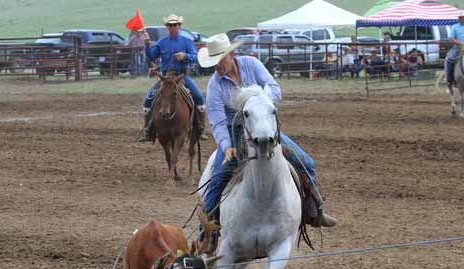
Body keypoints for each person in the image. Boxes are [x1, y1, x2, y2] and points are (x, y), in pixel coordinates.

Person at [196, 33, 337, 247]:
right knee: (217, 178)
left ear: (231, 54)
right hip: (235, 133)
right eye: (213, 62)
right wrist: (226, 147)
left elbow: (275, 88)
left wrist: (258, 101)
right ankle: (207, 234)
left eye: (219, 60)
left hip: (264, 126)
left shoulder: (252, 65)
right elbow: (217, 121)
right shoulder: (215, 86)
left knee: (306, 162)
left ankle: (314, 211)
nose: (216, 66)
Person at [138, 14, 206, 142]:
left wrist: (184, 56)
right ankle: (148, 130)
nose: (172, 27)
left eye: (175, 25)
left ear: (179, 26)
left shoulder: (186, 41)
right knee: (148, 99)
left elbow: (195, 57)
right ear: (167, 27)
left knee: (198, 97)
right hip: (165, 78)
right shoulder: (162, 42)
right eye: (170, 25)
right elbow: (152, 56)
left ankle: (200, 128)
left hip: (181, 77)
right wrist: (147, 43)